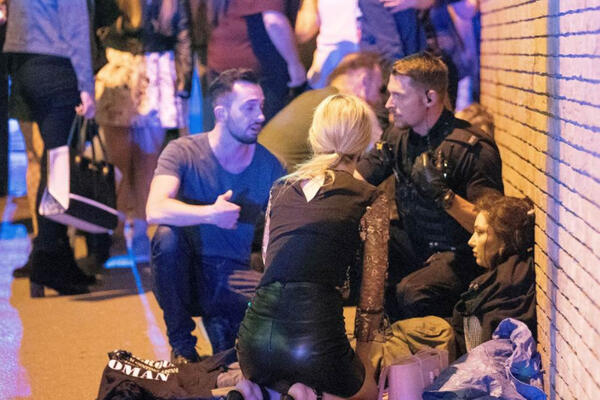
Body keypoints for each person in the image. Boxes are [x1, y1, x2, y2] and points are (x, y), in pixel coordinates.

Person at [233, 94, 389, 400]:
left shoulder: (281, 188)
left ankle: (250, 391)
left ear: (315, 136)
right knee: (368, 393)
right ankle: (309, 396)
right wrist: (364, 362)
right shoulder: (370, 198)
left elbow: (270, 260)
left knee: (272, 381)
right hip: (313, 341)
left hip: (253, 342)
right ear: (364, 141)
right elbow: (372, 294)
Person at [146, 69, 285, 363]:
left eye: (261, 106)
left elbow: (282, 233)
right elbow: (154, 208)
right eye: (249, 107)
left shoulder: (271, 165)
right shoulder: (183, 151)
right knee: (166, 237)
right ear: (221, 113)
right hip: (185, 273)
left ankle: (222, 328)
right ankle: (182, 346)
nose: (260, 116)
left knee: (244, 357)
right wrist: (211, 214)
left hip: (231, 275)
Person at [356, 51, 503, 320]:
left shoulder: (471, 148)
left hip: (462, 255)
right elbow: (357, 179)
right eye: (389, 94)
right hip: (417, 244)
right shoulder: (397, 136)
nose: (388, 104)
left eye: (399, 96)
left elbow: (493, 228)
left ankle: (442, 338)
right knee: (358, 243)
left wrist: (445, 196)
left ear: (429, 98)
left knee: (412, 293)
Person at [3, 0, 97, 295]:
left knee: (51, 162)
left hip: (24, 68)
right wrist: (87, 87)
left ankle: (58, 256)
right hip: (57, 68)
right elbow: (76, 28)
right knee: (58, 166)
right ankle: (47, 257)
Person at [94, 0, 193, 262]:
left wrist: (183, 84)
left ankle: (130, 231)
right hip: (135, 70)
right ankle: (123, 230)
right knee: (129, 164)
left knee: (135, 164)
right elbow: (183, 34)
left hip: (141, 69)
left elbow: (183, 35)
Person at [258, 51, 385, 171]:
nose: (379, 99)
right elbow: (378, 158)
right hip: (280, 180)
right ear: (364, 81)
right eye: (379, 89)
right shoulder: (351, 109)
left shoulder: (310, 96)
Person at [452, 193, 537, 356]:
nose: (471, 241)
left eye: (480, 232)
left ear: (504, 240)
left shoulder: (507, 287)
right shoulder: (498, 277)